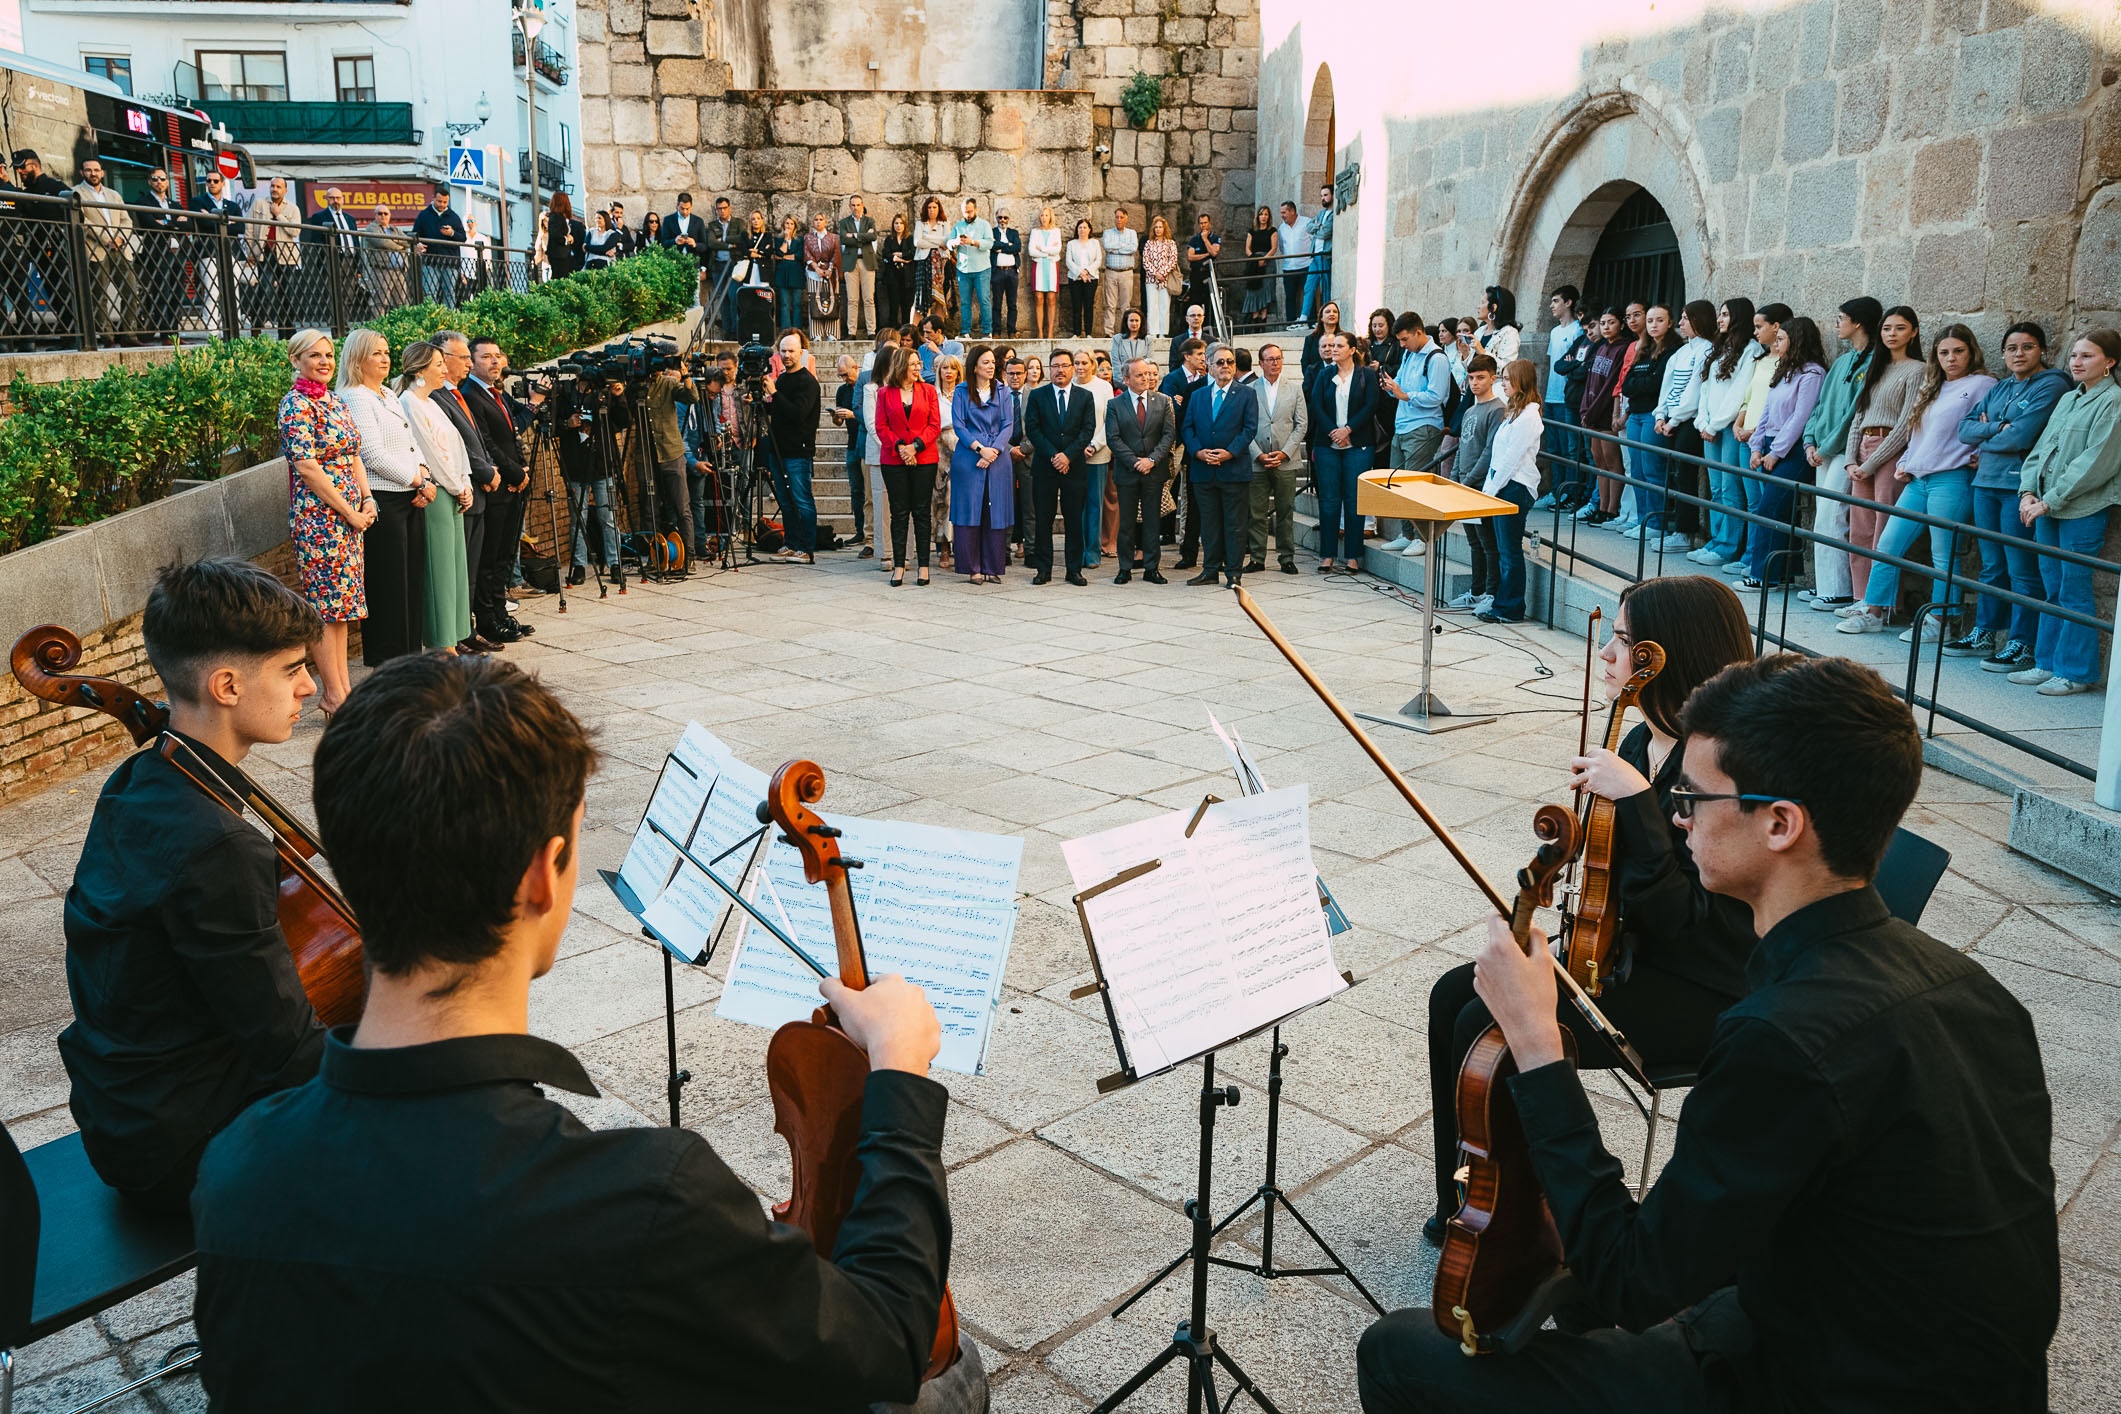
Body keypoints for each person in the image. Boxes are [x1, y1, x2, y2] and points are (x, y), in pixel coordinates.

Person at [191, 653, 986, 1411]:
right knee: (942, 1385)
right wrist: (900, 1084)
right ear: (543, 874)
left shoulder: (237, 1165)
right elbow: (884, 1339)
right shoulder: (643, 1202)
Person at [1365, 652, 2058, 1414]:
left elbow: (1631, 1280)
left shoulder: (1782, 1037)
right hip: (1943, 1361)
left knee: (1398, 1352)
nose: (1675, 815)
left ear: (1780, 823)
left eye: (1693, 796)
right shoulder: (1975, 988)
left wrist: (1536, 1043)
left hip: (1821, 1379)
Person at [1428, 572, 1755, 1228]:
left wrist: (1636, 802)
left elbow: (1686, 922)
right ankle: (1462, 1191)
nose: (1605, 654)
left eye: (1623, 640)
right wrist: (1545, 874)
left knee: (1484, 1022)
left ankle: (1515, 1210)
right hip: (1630, 952)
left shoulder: (1727, 770)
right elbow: (1609, 861)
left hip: (1705, 985)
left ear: (1669, 653)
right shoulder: (1638, 737)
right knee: (1452, 992)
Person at [56, 556, 325, 1212]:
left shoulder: (140, 781)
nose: (310, 687)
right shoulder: (219, 847)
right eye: (293, 668)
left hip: (122, 1109)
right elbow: (291, 1055)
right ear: (227, 685)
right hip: (176, 1147)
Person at [1838, 325, 1996, 641]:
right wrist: (1907, 462)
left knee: (1943, 553)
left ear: (1971, 351)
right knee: (1888, 545)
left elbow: (1987, 426)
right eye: (1944, 352)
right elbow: (1919, 431)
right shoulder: (1933, 386)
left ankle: (1940, 621)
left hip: (1952, 478)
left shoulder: (1982, 384)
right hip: (1917, 479)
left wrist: (1980, 453)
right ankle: (1874, 612)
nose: (1951, 358)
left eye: (1958, 351)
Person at [2012, 329, 2121, 697]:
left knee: (2074, 588)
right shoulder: (2068, 400)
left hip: (2080, 510)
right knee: (2052, 586)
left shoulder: (2114, 402)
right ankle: (2046, 663)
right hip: (2046, 508)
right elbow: (2040, 450)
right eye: (2074, 355)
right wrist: (2028, 491)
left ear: (2110, 362)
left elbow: (2096, 463)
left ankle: (2075, 671)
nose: (2076, 362)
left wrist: (2050, 500)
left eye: (2087, 356)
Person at [1957, 322, 2069, 671]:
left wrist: (1990, 435)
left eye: (2027, 347)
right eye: (2012, 348)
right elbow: (1964, 430)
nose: (2018, 354)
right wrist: (1996, 428)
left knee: (2022, 568)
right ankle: (1986, 631)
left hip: (2018, 486)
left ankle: (2022, 642)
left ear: (2042, 351)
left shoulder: (2051, 384)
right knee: (1992, 565)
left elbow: (2021, 438)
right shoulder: (2001, 386)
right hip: (1985, 483)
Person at [278, 330, 372, 710]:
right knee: (324, 605)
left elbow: (353, 454)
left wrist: (367, 499)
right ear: (296, 361)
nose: (324, 362)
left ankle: (344, 689)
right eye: (314, 356)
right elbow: (306, 466)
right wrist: (348, 511)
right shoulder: (294, 405)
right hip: (319, 518)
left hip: (351, 517)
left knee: (344, 605)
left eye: (329, 355)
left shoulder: (335, 400)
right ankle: (333, 694)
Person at [336, 328, 433, 666]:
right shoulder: (355, 397)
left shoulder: (388, 394)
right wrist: (417, 480)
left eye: (387, 351)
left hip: (410, 494)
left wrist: (424, 476)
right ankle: (389, 662)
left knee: (410, 582)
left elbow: (411, 442)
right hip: (383, 498)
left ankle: (411, 659)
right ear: (357, 358)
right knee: (389, 584)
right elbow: (372, 455)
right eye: (376, 352)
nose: (385, 357)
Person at [1834, 304, 1926, 605]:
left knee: (1883, 529)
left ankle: (1880, 603)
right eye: (1887, 328)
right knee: (1859, 529)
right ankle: (1861, 598)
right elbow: (1858, 416)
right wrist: (1851, 459)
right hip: (1862, 449)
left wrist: (1872, 463)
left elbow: (1905, 424)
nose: (1892, 334)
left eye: (1900, 328)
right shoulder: (1876, 367)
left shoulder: (1917, 370)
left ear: (1913, 332)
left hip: (1890, 452)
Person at [1800, 297, 1884, 612]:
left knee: (1832, 515)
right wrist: (1809, 441)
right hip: (1821, 449)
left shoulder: (1875, 361)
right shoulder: (1841, 362)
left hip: (1842, 450)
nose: (1837, 323)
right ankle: (1825, 586)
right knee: (1823, 517)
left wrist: (1824, 448)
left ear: (1858, 322)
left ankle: (1838, 590)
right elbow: (1821, 406)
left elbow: (1853, 414)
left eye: (1841, 317)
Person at [397, 341, 476, 650]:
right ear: (420, 369)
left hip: (453, 491)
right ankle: (441, 645)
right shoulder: (409, 403)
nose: (445, 369)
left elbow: (456, 447)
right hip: (437, 494)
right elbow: (429, 453)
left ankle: (453, 641)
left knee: (455, 569)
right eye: (439, 364)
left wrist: (465, 482)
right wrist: (456, 486)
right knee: (439, 572)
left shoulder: (431, 402)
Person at [1740, 317, 1830, 590]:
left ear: (1797, 340)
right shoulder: (1785, 369)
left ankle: (1762, 575)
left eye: (1781, 339)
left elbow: (1800, 418)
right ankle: (1786, 573)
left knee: (1770, 507)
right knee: (1781, 512)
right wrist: (1756, 446)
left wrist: (1776, 453)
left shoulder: (1812, 374)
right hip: (1769, 443)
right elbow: (1767, 410)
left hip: (1791, 450)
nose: (1776, 344)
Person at [463, 336, 539, 641]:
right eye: (486, 357)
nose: (495, 362)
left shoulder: (497, 394)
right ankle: (486, 618)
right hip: (496, 487)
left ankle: (500, 612)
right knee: (490, 557)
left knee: (506, 555)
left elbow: (515, 430)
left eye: (498, 356)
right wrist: (514, 471)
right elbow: (487, 444)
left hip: (513, 486)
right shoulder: (470, 394)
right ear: (471, 362)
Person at [429, 330, 500, 653]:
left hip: (477, 490)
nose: (470, 364)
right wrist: (484, 472)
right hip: (460, 491)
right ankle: (457, 634)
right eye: (465, 358)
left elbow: (475, 440)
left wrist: (490, 468)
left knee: (471, 568)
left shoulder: (456, 394)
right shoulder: (435, 398)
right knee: (460, 572)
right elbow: (452, 447)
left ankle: (466, 629)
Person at [1689, 298, 1764, 567]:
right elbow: (1706, 388)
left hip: (1728, 428)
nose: (1719, 320)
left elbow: (1739, 393)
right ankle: (1717, 540)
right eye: (1719, 315)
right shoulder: (1720, 347)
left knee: (1731, 488)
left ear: (1738, 317)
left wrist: (1715, 424)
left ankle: (1729, 547)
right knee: (1717, 488)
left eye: (1724, 315)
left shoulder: (1751, 350)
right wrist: (1703, 421)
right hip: (1710, 427)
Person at [1178, 345, 1258, 588]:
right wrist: (1198, 452)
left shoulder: (1246, 394)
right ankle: (1210, 570)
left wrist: (1229, 453)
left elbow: (1249, 429)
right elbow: (1187, 427)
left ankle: (1233, 572)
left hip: (1233, 470)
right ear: (1209, 366)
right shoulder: (1198, 395)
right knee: (1209, 524)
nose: (1226, 366)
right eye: (1220, 362)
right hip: (1204, 471)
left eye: (1230, 362)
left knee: (1234, 525)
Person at [1474, 359, 1545, 623]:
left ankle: (1511, 608)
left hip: (1514, 487)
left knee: (1510, 550)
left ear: (1520, 380)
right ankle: (1502, 603)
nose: (1502, 383)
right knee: (1503, 549)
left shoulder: (1529, 416)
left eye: (1506, 378)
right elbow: (1497, 455)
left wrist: (1489, 491)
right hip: (1500, 485)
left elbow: (1511, 460)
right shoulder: (1514, 411)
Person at [1376, 311, 1451, 555]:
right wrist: (1390, 387)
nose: (1402, 344)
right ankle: (1406, 533)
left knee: (1416, 482)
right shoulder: (1409, 353)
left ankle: (1422, 537)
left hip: (1424, 426)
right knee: (1398, 482)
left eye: (1405, 339)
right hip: (1403, 424)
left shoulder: (1437, 358)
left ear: (1419, 332)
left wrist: (1404, 395)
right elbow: (1401, 386)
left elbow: (1436, 396)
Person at [1024, 348, 1096, 585]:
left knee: (1074, 520)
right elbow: (1033, 430)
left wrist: (1068, 456)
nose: (1060, 370)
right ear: (1049, 370)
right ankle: (1043, 569)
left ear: (1072, 368)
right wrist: (1055, 455)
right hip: (1045, 466)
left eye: (1065, 365)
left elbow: (1087, 430)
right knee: (1043, 519)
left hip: (1074, 468)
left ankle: (1073, 569)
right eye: (1055, 366)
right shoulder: (1038, 395)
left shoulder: (1084, 396)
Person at [948, 344, 1018, 582]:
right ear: (974, 366)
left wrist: (995, 450)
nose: (991, 366)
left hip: (998, 459)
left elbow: (1008, 424)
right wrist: (980, 449)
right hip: (969, 457)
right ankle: (973, 567)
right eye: (985, 362)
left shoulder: (1003, 391)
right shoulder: (961, 391)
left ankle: (992, 566)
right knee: (969, 511)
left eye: (992, 362)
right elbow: (959, 425)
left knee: (994, 511)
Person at [877, 345, 943, 586]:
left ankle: (924, 566)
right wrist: (901, 449)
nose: (918, 368)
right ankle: (899, 565)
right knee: (899, 513)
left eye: (919, 364)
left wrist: (915, 447)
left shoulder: (928, 391)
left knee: (922, 512)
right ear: (901, 365)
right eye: (914, 364)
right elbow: (881, 426)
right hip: (894, 459)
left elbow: (934, 425)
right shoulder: (885, 393)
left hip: (924, 458)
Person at [1107, 356, 1176, 584]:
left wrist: (1152, 460)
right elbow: (1113, 438)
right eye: (1139, 375)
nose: (1146, 378)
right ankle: (1124, 568)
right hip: (1127, 472)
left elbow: (1168, 435)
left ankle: (1151, 568)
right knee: (1126, 523)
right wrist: (1135, 461)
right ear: (1126, 379)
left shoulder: (1163, 401)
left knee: (1152, 522)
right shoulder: (1115, 404)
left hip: (1154, 472)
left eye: (1147, 374)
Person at [1446, 355, 1505, 612]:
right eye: (1470, 378)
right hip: (1465, 484)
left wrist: (1469, 481)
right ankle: (1477, 589)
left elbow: (1489, 451)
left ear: (1493, 377)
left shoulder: (1497, 409)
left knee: (1487, 542)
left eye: (1480, 377)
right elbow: (1461, 447)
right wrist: (1455, 478)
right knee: (1473, 541)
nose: (1474, 383)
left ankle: (1491, 593)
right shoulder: (1470, 409)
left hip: (1481, 486)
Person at [1614, 303, 1677, 537]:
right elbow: (1628, 384)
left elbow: (1658, 383)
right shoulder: (1644, 348)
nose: (1653, 325)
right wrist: (1643, 383)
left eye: (1659, 320)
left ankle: (1656, 524)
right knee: (1638, 470)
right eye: (1650, 321)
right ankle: (1642, 519)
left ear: (1670, 323)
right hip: (1636, 414)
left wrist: (1642, 383)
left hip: (1654, 414)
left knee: (1653, 470)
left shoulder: (1673, 350)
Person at [1245, 343, 1308, 575]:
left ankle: (1286, 557)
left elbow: (1301, 424)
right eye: (1270, 359)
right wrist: (1258, 454)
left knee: (1285, 511)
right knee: (1256, 512)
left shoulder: (1294, 389)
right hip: (1257, 460)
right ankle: (1257, 557)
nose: (1275, 363)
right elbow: (1244, 426)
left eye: (1278, 358)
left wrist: (1285, 452)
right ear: (1260, 363)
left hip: (1286, 460)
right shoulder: (1249, 389)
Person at [763, 328, 821, 565]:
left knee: (802, 499)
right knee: (785, 501)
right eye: (783, 351)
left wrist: (775, 393)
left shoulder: (808, 382)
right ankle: (792, 543)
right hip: (779, 449)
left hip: (798, 451)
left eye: (791, 351)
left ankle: (807, 548)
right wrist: (762, 403)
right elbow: (780, 411)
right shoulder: (784, 378)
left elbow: (797, 414)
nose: (786, 355)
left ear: (801, 352)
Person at [72, 158, 139, 345]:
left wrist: (120, 238)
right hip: (96, 249)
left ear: (102, 173)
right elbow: (82, 221)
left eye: (96, 170)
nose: (93, 173)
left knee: (131, 291)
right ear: (81, 172)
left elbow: (127, 220)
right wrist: (105, 239)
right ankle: (107, 337)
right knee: (100, 295)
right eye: (88, 170)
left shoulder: (114, 194)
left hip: (120, 248)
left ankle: (129, 335)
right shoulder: (76, 193)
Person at [1574, 309, 1630, 525]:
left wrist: (1592, 411)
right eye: (1603, 323)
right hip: (1591, 412)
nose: (1606, 327)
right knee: (1599, 461)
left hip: (1605, 413)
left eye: (1611, 322)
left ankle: (1612, 509)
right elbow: (1590, 381)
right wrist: (1584, 410)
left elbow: (1610, 386)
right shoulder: (1601, 347)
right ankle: (1601, 505)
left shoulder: (1622, 348)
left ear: (1621, 325)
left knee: (1612, 461)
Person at [1161, 339, 1210, 564]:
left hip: (1195, 445)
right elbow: (1173, 409)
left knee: (1190, 498)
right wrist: (1181, 404)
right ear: (1186, 356)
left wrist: (1183, 403)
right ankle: (1165, 533)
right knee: (1167, 490)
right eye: (1199, 354)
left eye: (1204, 354)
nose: (1202, 357)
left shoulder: (1202, 382)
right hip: (1176, 442)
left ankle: (1186, 541)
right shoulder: (1173, 379)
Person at [1537, 285, 1586, 506]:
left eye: (1556, 301)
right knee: (1554, 448)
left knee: (1571, 449)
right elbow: (1555, 364)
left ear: (1568, 303)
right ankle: (1556, 490)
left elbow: (1574, 363)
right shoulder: (1555, 331)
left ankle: (1571, 492)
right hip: (1551, 396)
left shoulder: (1577, 330)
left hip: (1568, 398)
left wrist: (1568, 366)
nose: (1552, 306)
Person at [189, 171, 247, 335]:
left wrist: (215, 219)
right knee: (211, 291)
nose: (212, 183)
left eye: (216, 180)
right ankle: (213, 332)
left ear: (222, 183)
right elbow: (203, 224)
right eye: (209, 181)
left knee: (232, 291)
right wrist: (228, 221)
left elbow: (240, 227)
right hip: (209, 250)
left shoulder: (232, 205)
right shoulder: (198, 201)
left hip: (231, 251)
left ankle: (233, 329)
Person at [136, 167, 188, 340]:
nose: (159, 182)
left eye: (163, 179)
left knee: (177, 293)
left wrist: (165, 221)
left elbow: (188, 225)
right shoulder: (144, 202)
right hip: (157, 253)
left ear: (167, 181)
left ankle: (174, 333)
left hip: (178, 253)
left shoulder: (175, 204)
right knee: (162, 292)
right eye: (155, 179)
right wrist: (174, 222)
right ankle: (166, 333)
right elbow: (149, 223)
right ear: (149, 181)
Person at [1079, 348, 1118, 569]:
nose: (1080, 367)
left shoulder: (1104, 387)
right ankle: (1078, 548)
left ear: (1093, 364)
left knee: (1095, 504)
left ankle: (1092, 551)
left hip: (1098, 453)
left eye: (1085, 363)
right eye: (1077, 363)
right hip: (1074, 455)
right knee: (1077, 505)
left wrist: (1094, 445)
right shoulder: (1070, 385)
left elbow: (1108, 421)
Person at [410, 184, 466, 308]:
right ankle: (431, 319)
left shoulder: (454, 217)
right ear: (433, 198)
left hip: (450, 261)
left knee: (450, 293)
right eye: (439, 201)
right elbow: (414, 234)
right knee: (430, 293)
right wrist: (417, 244)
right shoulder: (424, 215)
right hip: (430, 260)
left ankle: (449, 320)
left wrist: (452, 233)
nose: (442, 205)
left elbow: (463, 238)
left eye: (445, 202)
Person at [947, 198, 993, 339]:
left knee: (984, 299)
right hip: (963, 269)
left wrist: (972, 242)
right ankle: (965, 331)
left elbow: (990, 243)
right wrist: (955, 242)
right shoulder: (958, 226)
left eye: (970, 211)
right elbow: (948, 243)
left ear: (976, 210)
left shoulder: (984, 225)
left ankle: (987, 331)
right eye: (965, 212)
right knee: (965, 301)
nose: (967, 215)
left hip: (982, 268)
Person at [838, 195, 878, 339]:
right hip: (851, 263)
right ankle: (851, 332)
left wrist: (854, 236)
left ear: (862, 205)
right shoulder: (844, 222)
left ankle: (871, 331)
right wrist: (863, 237)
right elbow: (843, 239)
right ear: (850, 206)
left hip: (867, 262)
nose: (856, 208)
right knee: (852, 299)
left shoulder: (869, 221)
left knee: (869, 298)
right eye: (853, 205)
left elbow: (873, 237)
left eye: (858, 205)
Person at [360, 203, 411, 311]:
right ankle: (377, 326)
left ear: (389, 215)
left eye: (386, 213)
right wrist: (399, 247)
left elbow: (409, 242)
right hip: (382, 270)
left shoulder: (395, 229)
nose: (383, 216)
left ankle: (401, 326)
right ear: (375, 215)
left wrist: (397, 241)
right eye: (380, 213)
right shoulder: (372, 228)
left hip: (400, 270)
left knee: (401, 302)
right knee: (380, 301)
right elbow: (382, 242)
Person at [1099, 205, 1139, 338]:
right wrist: (1123, 248)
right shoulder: (1108, 233)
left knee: (1125, 304)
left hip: (1126, 272)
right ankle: (1109, 332)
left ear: (1126, 218)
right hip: (1111, 271)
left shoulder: (1132, 233)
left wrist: (1116, 249)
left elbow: (1133, 248)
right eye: (1117, 217)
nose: (1119, 220)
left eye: (1121, 217)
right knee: (1110, 304)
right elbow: (1107, 246)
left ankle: (1124, 331)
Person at [802, 210, 843, 342]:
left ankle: (832, 333)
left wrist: (830, 268)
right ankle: (816, 333)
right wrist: (816, 268)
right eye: (816, 220)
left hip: (831, 273)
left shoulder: (833, 237)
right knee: (815, 300)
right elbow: (807, 253)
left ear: (825, 222)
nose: (818, 222)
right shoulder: (808, 237)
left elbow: (836, 253)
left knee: (831, 300)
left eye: (821, 219)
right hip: (814, 273)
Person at [914, 196, 955, 325]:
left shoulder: (945, 224)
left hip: (941, 264)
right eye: (929, 207)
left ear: (939, 209)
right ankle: (916, 331)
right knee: (921, 297)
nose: (932, 210)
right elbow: (917, 242)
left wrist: (927, 237)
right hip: (924, 262)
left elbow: (946, 242)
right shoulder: (920, 224)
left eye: (934, 207)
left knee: (940, 298)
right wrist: (938, 242)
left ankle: (938, 330)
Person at [1027, 206, 1064, 340]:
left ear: (1050, 217)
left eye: (1046, 215)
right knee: (1039, 298)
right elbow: (1032, 251)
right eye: (1042, 215)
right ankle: (1040, 333)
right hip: (1039, 267)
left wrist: (1041, 249)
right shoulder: (1035, 232)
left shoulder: (1056, 231)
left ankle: (1050, 333)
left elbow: (1057, 249)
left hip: (1051, 267)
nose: (1044, 218)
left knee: (1051, 299)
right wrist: (1048, 252)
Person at [1239, 206, 1277, 330]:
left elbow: (1274, 248)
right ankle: (1255, 323)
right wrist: (1256, 260)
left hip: (1268, 263)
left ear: (1269, 217)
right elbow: (1247, 249)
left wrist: (1264, 259)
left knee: (1265, 290)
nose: (1263, 217)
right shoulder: (1252, 231)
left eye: (1266, 214)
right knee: (1254, 291)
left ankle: (1263, 323)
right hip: (1254, 262)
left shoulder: (1272, 231)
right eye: (1261, 214)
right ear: (1258, 216)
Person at [1274, 200, 1311, 328]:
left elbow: (1313, 241)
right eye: (1281, 213)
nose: (1282, 215)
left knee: (1308, 293)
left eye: (1284, 212)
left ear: (1292, 211)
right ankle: (1291, 322)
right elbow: (1282, 247)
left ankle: (1310, 321)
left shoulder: (1306, 222)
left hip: (1306, 264)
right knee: (1290, 295)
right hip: (1289, 266)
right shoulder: (1282, 228)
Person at [1064, 218, 1101, 340]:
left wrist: (1087, 271)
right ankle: (1077, 333)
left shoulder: (1095, 243)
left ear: (1089, 229)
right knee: (1076, 305)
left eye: (1085, 227)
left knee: (1089, 305)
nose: (1082, 230)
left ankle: (1089, 333)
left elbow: (1098, 260)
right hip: (1075, 278)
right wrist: (1080, 273)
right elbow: (1069, 261)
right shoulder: (1071, 244)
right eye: (1080, 227)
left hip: (1091, 278)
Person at [879, 213, 917, 331]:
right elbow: (886, 254)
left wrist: (899, 255)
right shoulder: (889, 239)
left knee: (906, 304)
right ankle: (893, 328)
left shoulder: (910, 239)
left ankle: (906, 329)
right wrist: (900, 259)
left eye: (901, 223)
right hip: (893, 276)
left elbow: (913, 254)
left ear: (905, 225)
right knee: (893, 304)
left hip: (907, 277)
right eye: (896, 223)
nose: (898, 226)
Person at [1301, 185, 1333, 324]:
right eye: (1321, 196)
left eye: (1325, 195)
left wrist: (1317, 227)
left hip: (1325, 255)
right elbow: (1308, 227)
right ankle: (1303, 318)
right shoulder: (1321, 213)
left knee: (1325, 287)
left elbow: (1326, 233)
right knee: (1309, 286)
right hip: (1315, 255)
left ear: (1332, 195)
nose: (1323, 198)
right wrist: (1318, 227)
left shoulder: (1333, 214)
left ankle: (1324, 319)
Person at [1183, 213, 1221, 326]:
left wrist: (1205, 239)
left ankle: (1210, 326)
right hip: (1196, 274)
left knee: (1210, 301)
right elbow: (1190, 257)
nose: (1203, 225)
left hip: (1209, 273)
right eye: (1201, 223)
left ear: (1209, 223)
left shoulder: (1215, 237)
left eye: (1205, 223)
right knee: (1195, 300)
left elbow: (1214, 252)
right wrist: (1206, 255)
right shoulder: (1194, 240)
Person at [770, 214, 805, 333]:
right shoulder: (778, 239)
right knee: (784, 304)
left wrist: (785, 257)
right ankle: (785, 330)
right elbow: (779, 254)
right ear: (783, 225)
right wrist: (785, 239)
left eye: (791, 224)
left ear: (795, 226)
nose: (789, 226)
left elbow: (800, 256)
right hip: (782, 275)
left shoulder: (800, 240)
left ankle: (797, 330)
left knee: (797, 304)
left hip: (796, 274)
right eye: (787, 223)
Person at [543, 192, 585, 280]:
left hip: (562, 254)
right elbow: (555, 234)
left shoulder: (558, 217)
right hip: (559, 255)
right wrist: (567, 239)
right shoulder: (556, 217)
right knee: (561, 278)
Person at [659, 191, 707, 266]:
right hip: (673, 263)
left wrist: (695, 244)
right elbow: (663, 243)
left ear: (691, 207)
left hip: (693, 263)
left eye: (687, 209)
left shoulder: (698, 221)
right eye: (682, 208)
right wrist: (674, 241)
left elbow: (704, 246)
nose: (685, 212)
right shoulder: (668, 220)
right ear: (677, 206)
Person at [1111, 307, 1151, 382]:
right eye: (1131, 320)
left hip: (1142, 380)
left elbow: (1149, 361)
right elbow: (1115, 363)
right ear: (1126, 322)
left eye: (1137, 320)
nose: (1134, 323)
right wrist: (1124, 382)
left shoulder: (1147, 339)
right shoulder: (1117, 339)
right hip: (1123, 382)